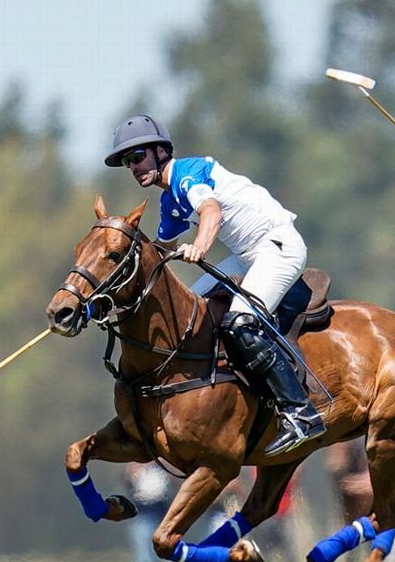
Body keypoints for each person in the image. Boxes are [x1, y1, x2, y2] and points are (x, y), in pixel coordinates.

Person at [104, 115, 323, 455]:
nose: (133, 167)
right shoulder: (168, 202)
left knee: (239, 323)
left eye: (137, 157)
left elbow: (211, 211)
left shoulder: (187, 174)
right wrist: (108, 290)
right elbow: (157, 256)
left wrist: (199, 246)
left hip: (277, 246)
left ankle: (301, 413)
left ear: (161, 151)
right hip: (247, 255)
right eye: (126, 162)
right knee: (193, 309)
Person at [124, 462, 173, 562]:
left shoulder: (164, 465)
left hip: (161, 521)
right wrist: (133, 471)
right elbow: (128, 481)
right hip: (141, 519)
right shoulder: (136, 465)